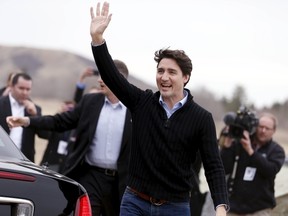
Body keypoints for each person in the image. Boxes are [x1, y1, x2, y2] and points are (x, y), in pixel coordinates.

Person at [88, 2, 229, 216]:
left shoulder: (201, 118)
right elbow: (112, 77)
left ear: (186, 77)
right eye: (160, 70)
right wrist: (98, 40)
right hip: (135, 203)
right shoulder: (142, 102)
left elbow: (213, 165)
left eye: (171, 72)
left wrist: (220, 206)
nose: (164, 77)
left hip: (176, 207)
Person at [6, 60, 132, 216]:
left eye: (103, 75)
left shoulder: (135, 108)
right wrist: (28, 121)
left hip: (120, 182)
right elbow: (60, 121)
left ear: (117, 77)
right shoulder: (90, 102)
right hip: (90, 177)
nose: (99, 80)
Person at [220, 112, 285, 215]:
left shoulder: (277, 151)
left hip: (260, 207)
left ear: (274, 131)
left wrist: (250, 151)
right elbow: (223, 169)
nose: (263, 131)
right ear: (255, 126)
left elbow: (270, 170)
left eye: (267, 128)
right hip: (234, 205)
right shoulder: (239, 142)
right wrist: (227, 147)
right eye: (261, 127)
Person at [0, 72, 49, 162]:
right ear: (11, 87)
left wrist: (35, 115)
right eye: (21, 88)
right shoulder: (1, 104)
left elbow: (45, 134)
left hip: (23, 161)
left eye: (28, 89)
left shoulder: (35, 109)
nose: (25, 92)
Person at [40, 100, 76, 172]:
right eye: (66, 108)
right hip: (52, 161)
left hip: (66, 163)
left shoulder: (76, 127)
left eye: (71, 108)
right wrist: (59, 114)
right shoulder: (57, 124)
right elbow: (44, 133)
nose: (68, 110)